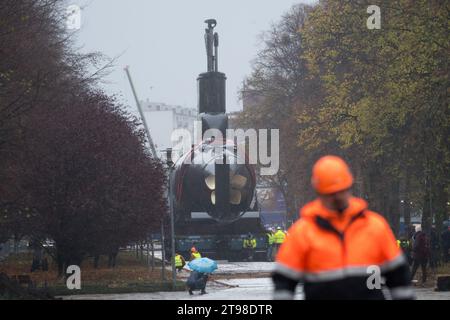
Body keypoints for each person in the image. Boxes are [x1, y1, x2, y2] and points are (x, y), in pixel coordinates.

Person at [272, 155, 414, 300]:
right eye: (331, 194)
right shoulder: (302, 233)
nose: (337, 197)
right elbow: (284, 283)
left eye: (341, 191)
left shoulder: (375, 227)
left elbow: (399, 279)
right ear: (319, 192)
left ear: (349, 187)